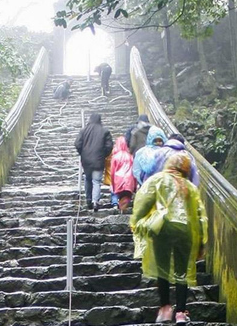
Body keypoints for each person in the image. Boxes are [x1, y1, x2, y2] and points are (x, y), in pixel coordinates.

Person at [130, 152, 208, 324]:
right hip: (185, 231)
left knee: (162, 269)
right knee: (182, 272)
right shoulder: (190, 187)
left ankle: (165, 308)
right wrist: (201, 241)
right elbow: (200, 215)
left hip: (163, 228)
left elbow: (144, 201)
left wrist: (136, 222)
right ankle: (181, 312)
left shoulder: (158, 180)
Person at [74, 113, 113, 211]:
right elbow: (109, 146)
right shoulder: (105, 131)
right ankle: (95, 201)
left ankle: (88, 199)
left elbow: (77, 144)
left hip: (86, 160)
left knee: (87, 179)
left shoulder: (84, 130)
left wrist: (82, 153)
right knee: (96, 181)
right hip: (98, 160)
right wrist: (103, 154)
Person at [109, 136, 137, 212]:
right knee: (127, 196)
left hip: (118, 179)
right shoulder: (130, 157)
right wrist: (135, 184)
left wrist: (112, 183)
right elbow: (134, 170)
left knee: (119, 195)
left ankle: (119, 208)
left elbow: (112, 172)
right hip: (129, 180)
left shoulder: (115, 157)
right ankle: (123, 208)